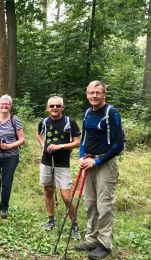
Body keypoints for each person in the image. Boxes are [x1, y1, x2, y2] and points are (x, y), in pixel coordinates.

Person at [75, 80, 124, 259]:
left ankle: (105, 244)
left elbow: (118, 145)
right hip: (88, 161)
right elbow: (84, 139)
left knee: (104, 204)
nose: (94, 96)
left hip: (105, 164)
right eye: (91, 93)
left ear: (104, 94)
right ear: (87, 94)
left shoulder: (111, 113)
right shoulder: (88, 112)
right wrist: (81, 156)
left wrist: (97, 162)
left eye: (98, 92)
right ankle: (92, 239)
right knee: (90, 202)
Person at [35, 96, 81, 239]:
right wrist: (43, 145)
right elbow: (38, 134)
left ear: (62, 107)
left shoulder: (70, 122)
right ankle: (51, 220)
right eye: (52, 106)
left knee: (66, 197)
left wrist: (60, 146)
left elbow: (78, 142)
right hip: (46, 162)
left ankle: (74, 225)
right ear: (47, 108)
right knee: (48, 190)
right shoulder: (44, 122)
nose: (54, 108)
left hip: (63, 164)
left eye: (57, 106)